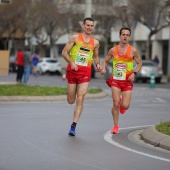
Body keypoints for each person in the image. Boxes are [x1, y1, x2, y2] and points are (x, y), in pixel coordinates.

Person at [62, 17, 102, 136]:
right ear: (83, 26)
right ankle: (70, 93)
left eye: (91, 26)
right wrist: (71, 63)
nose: (89, 27)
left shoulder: (95, 42)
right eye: (88, 25)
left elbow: (95, 56)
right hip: (72, 71)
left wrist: (98, 64)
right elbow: (64, 53)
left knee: (80, 97)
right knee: (71, 100)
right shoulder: (75, 38)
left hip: (85, 73)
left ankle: (73, 125)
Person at [100, 27, 142, 134]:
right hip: (116, 80)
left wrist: (134, 73)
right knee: (115, 103)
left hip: (127, 81)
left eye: (127, 35)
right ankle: (115, 126)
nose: (125, 37)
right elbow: (105, 61)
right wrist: (103, 68)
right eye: (123, 34)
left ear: (129, 37)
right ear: (119, 36)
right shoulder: (113, 50)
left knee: (126, 106)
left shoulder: (133, 51)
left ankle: (122, 104)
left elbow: (139, 63)